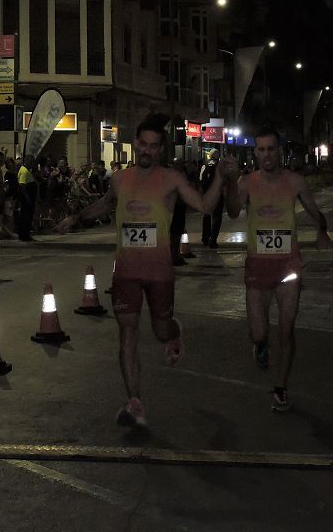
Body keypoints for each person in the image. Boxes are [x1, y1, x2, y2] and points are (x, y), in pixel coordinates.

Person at [57, 114, 235, 426]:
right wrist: (77, 218)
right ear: (136, 143)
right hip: (125, 270)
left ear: (161, 150)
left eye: (154, 146)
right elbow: (106, 204)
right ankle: (134, 401)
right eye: (143, 144)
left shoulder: (172, 179)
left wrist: (220, 178)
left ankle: (174, 333)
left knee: (160, 330)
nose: (147, 150)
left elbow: (205, 206)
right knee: (127, 332)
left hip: (159, 271)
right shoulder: (120, 178)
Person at [225, 125, 331, 411]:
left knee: (286, 330)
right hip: (257, 265)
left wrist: (322, 230)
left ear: (279, 150)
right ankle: (260, 346)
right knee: (259, 333)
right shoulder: (246, 182)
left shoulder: (295, 181)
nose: (267, 154)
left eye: (271, 148)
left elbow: (312, 209)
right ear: (255, 152)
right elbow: (233, 212)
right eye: (261, 149)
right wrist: (227, 183)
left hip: (288, 264)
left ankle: (281, 387)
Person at [199, 149, 225, 247]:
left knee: (206, 217)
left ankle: (205, 238)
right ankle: (213, 240)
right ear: (217, 155)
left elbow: (200, 179)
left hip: (207, 195)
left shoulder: (204, 165)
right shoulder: (221, 166)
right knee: (217, 218)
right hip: (218, 196)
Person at [15, 155, 38, 241]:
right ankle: (24, 235)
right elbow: (22, 185)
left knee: (27, 216)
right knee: (26, 216)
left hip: (29, 198)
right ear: (26, 161)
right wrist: (27, 197)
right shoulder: (24, 171)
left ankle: (25, 234)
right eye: (31, 162)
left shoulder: (26, 170)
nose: (32, 164)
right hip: (27, 199)